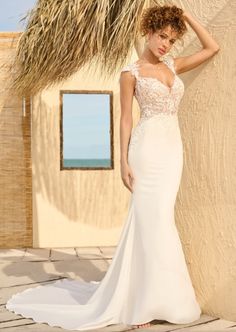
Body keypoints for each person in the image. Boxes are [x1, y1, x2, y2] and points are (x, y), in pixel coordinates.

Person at [5, 4, 220, 331]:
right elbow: (123, 120)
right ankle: (142, 304)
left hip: (173, 151)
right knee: (152, 224)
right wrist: (122, 162)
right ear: (148, 32)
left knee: (161, 222)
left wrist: (186, 17)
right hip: (145, 150)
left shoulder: (173, 66)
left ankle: (166, 299)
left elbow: (212, 47)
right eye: (162, 35)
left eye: (171, 39)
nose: (165, 44)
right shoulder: (130, 73)